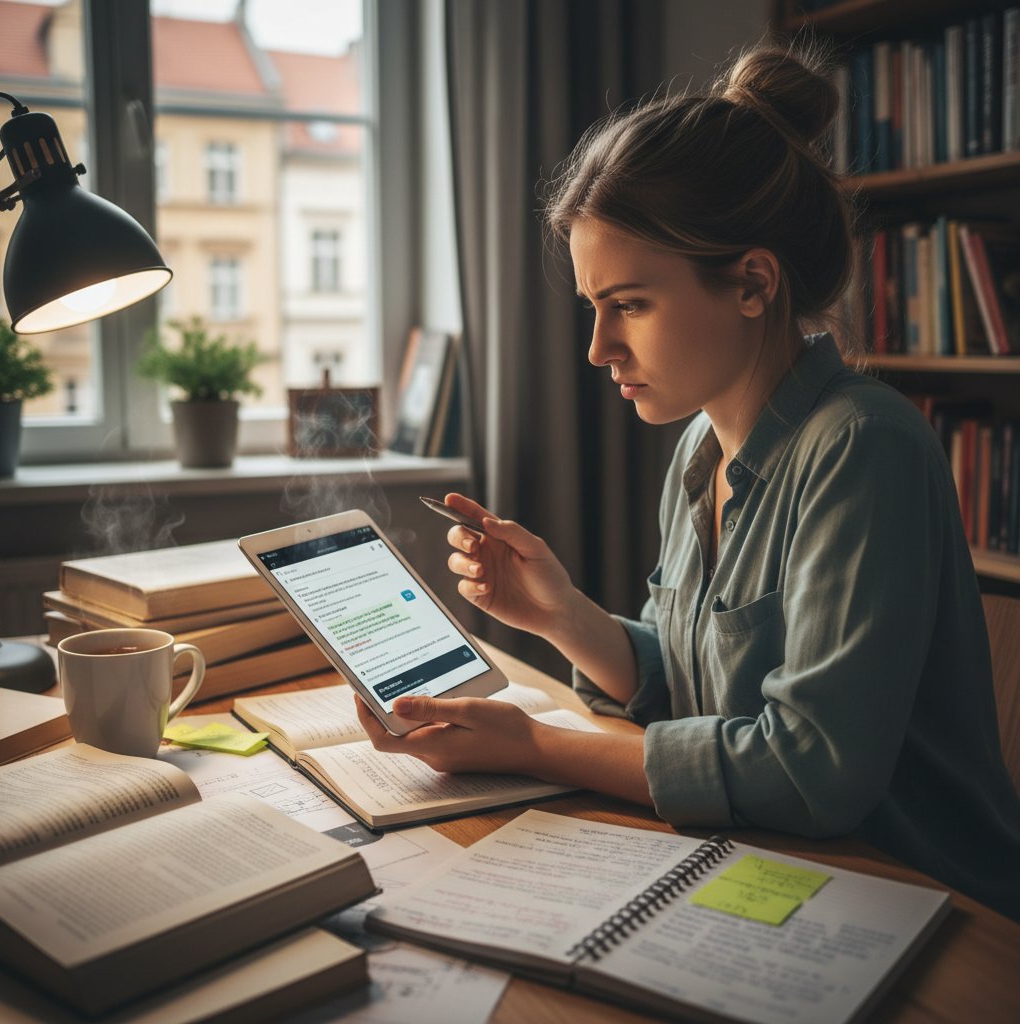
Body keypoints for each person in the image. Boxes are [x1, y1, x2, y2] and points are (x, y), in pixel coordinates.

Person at [355, 42, 1020, 920]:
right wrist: (562, 615)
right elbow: (704, 692)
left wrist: (540, 746)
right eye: (594, 307)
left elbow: (807, 768)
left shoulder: (865, 447)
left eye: (628, 304)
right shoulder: (700, 449)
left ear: (752, 282)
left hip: (925, 900)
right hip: (776, 869)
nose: (599, 349)